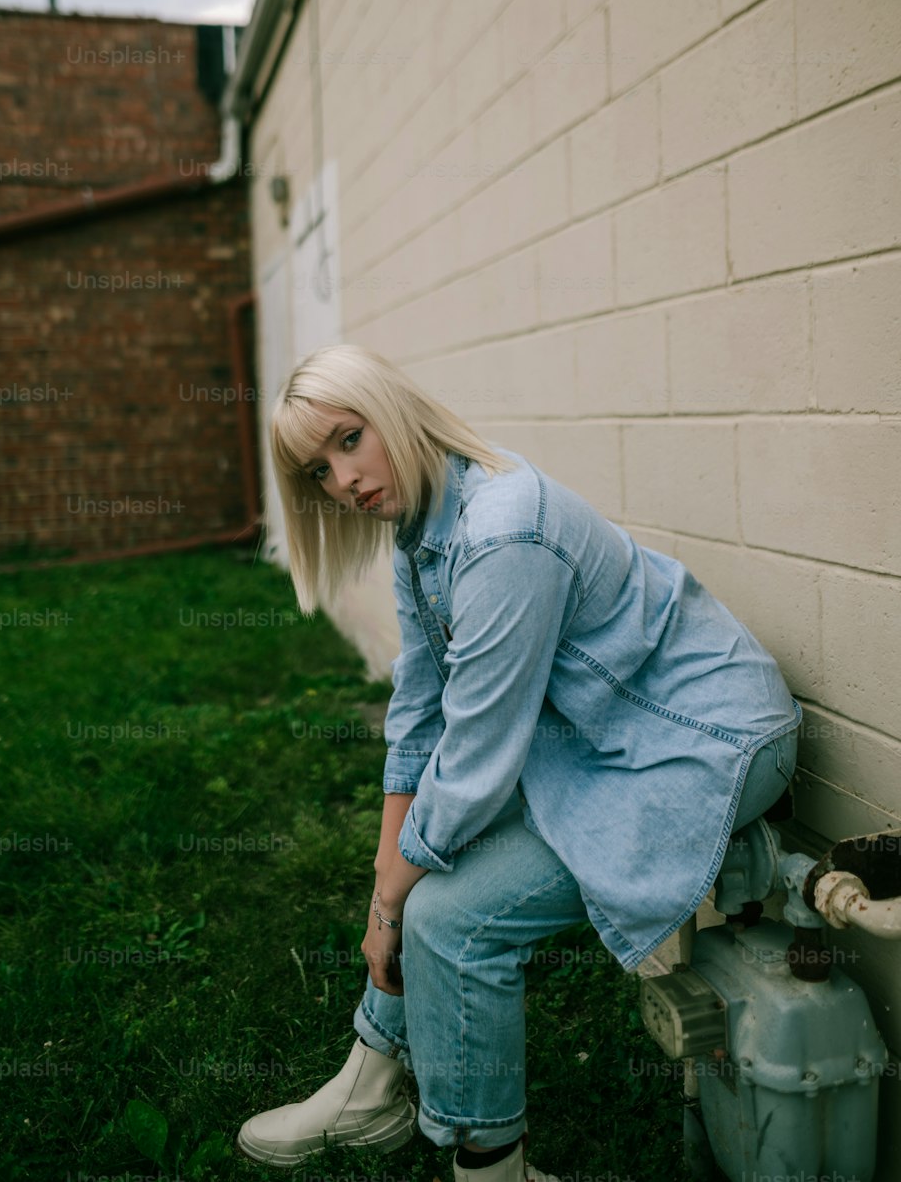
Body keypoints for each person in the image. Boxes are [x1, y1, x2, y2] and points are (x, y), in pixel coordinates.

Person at [237, 343, 802, 1182]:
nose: (344, 480)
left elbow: (473, 762)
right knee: (424, 872)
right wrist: (384, 878)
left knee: (452, 921)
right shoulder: (419, 534)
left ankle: (489, 1168)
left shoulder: (504, 529)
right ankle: (374, 1075)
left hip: (703, 741)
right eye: (319, 470)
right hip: (603, 741)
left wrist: (394, 900)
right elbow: (421, 719)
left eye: (349, 439)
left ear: (391, 409)